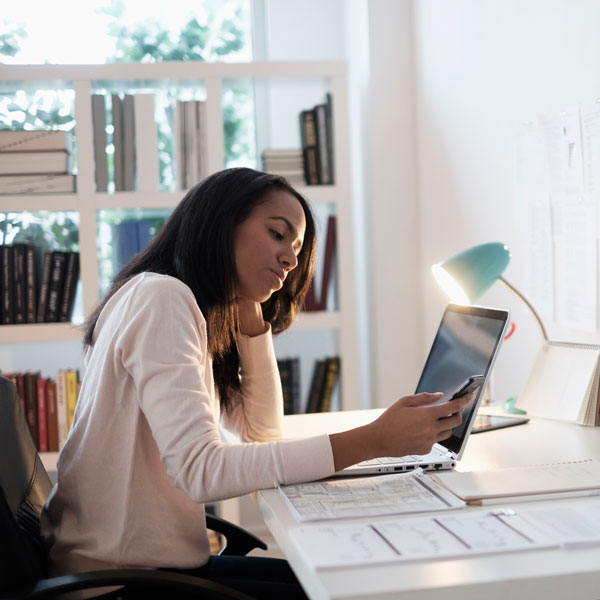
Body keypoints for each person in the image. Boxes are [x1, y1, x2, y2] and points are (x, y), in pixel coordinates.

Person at [41, 167, 470, 600]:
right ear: (222, 223)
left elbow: (260, 432)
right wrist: (374, 439)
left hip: (143, 569)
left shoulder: (170, 300)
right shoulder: (162, 299)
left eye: (298, 249)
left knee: (341, 582)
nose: (291, 259)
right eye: (278, 234)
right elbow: (201, 472)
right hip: (120, 584)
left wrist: (251, 324)